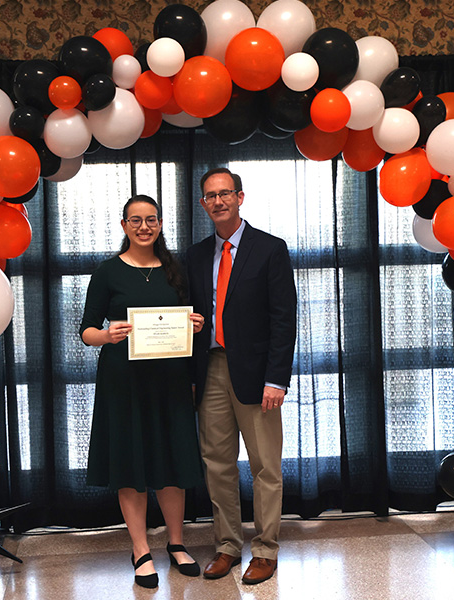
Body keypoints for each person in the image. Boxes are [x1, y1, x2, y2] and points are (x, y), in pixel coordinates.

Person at [80, 195, 206, 589]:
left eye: (151, 219)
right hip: (124, 382)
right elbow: (86, 332)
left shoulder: (176, 270)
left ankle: (176, 543)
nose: (144, 227)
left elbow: (187, 317)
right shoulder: (107, 272)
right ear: (123, 226)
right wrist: (107, 334)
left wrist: (195, 325)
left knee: (172, 462)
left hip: (170, 379)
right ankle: (140, 549)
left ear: (161, 223)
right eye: (135, 220)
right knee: (131, 464)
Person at [186, 168, 297, 585]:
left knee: (266, 465)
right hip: (210, 367)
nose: (218, 202)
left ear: (240, 197)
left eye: (225, 194)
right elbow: (190, 314)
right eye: (210, 196)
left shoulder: (270, 249)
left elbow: (283, 320)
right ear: (203, 204)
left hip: (257, 373)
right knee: (217, 463)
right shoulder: (196, 255)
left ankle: (265, 550)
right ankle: (228, 546)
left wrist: (277, 379)